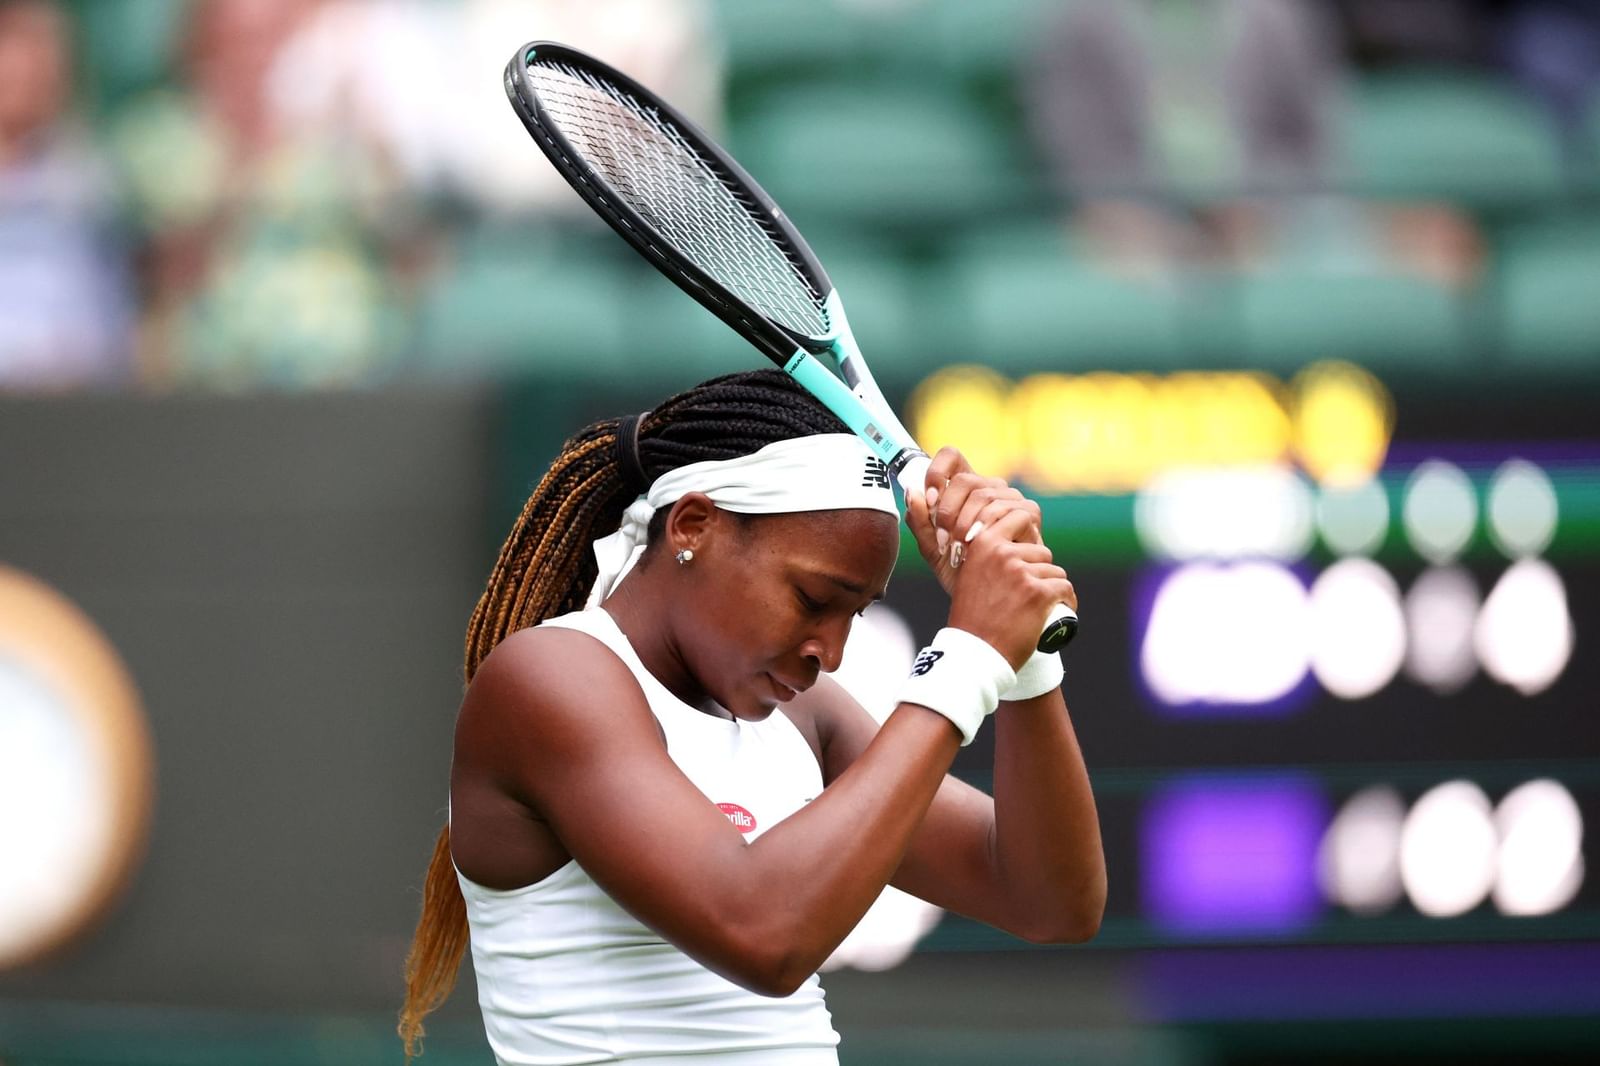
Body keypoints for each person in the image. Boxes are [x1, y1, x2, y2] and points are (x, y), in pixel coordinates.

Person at [398, 370, 1106, 1064]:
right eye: (811, 598)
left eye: (853, 615)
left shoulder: (806, 718)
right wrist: (967, 659)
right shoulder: (551, 679)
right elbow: (764, 935)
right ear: (695, 525)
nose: (828, 653)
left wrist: (1026, 659)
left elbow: (1050, 902)